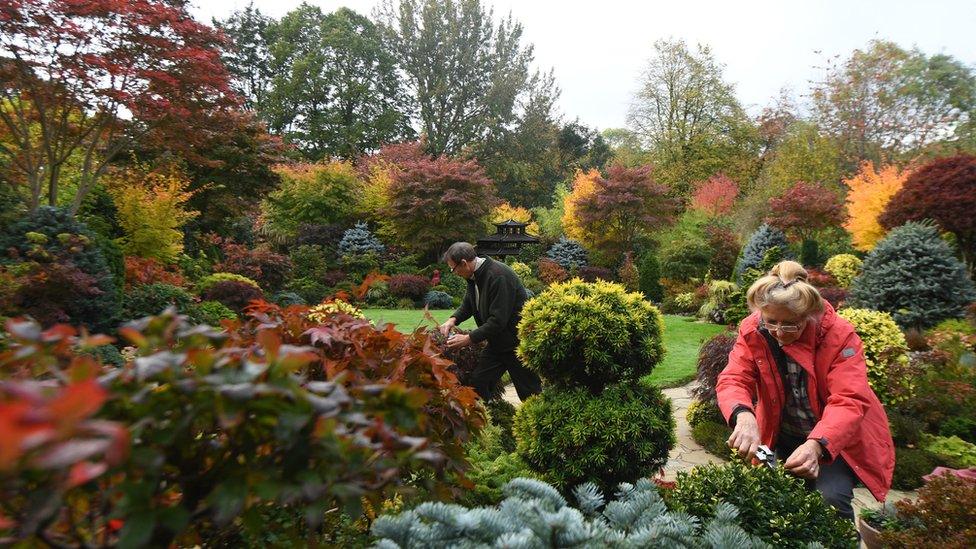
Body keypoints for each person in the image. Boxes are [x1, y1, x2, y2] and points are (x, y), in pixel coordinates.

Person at [716, 260, 894, 520]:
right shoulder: (753, 329)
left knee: (828, 501)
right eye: (771, 322)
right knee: (769, 497)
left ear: (809, 314)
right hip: (783, 433)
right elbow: (733, 378)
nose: (778, 332)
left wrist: (816, 446)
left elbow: (848, 399)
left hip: (834, 441)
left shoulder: (839, 335)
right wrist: (743, 415)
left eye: (790, 324)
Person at [438, 242, 542, 401]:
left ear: (464, 263)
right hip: (497, 344)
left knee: (530, 394)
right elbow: (469, 304)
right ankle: (491, 420)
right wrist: (452, 320)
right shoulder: (474, 277)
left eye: (453, 268)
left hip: (517, 344)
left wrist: (468, 339)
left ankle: (539, 424)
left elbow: (497, 321)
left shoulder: (497, 276)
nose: (453, 272)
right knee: (479, 384)